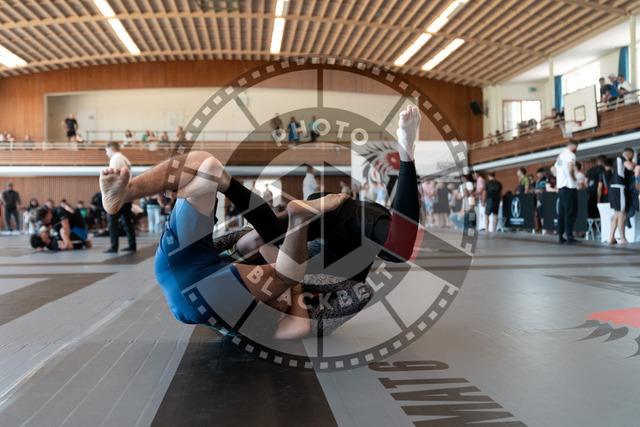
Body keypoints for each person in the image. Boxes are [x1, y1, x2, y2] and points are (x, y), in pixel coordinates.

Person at [97, 106, 421, 339]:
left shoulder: (242, 304)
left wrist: (288, 284)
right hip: (348, 230)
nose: (279, 301)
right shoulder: (306, 305)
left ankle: (137, 190)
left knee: (268, 240)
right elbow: (328, 306)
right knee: (208, 167)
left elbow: (258, 246)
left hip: (206, 275)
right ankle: (406, 154)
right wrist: (295, 295)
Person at [104, 141, 136, 253]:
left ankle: (114, 246)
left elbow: (113, 176)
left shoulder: (115, 159)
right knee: (127, 221)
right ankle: (132, 245)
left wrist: (110, 194)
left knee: (112, 221)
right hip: (128, 193)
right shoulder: (125, 159)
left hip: (119, 194)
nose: (107, 153)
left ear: (111, 149)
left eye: (107, 151)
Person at [608, 148, 636, 244]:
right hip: (619, 188)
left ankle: (611, 237)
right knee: (622, 215)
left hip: (614, 188)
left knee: (617, 214)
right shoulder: (622, 158)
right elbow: (630, 167)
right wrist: (635, 164)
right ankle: (622, 238)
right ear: (630, 154)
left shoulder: (617, 161)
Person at [555, 139, 579, 244]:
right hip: (569, 186)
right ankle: (569, 236)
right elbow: (570, 169)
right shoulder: (571, 155)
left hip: (561, 187)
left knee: (562, 212)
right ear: (574, 146)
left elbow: (554, 169)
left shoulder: (560, 156)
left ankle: (561, 235)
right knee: (570, 212)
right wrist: (574, 178)